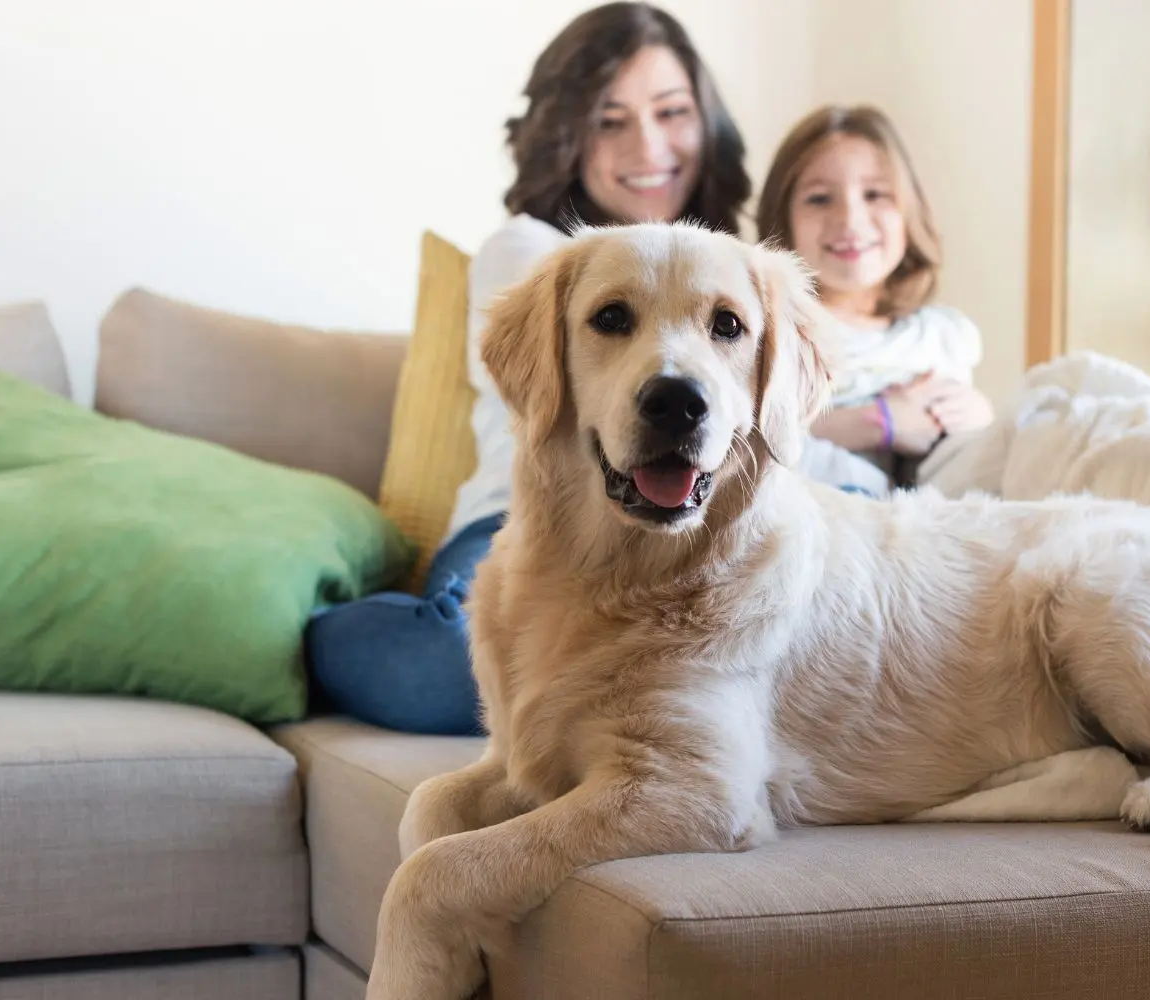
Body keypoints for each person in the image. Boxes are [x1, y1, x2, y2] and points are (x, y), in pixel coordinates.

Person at [303, 2, 751, 735]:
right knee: (460, 673)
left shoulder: (739, 274)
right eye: (611, 120)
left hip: (688, 535)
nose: (649, 144)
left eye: (672, 112)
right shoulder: (531, 250)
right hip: (521, 522)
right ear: (567, 133)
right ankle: (310, 629)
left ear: (707, 121)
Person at [755, 104, 996, 481]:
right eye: (819, 198)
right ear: (782, 218)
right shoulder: (774, 333)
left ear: (909, 212)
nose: (850, 219)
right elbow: (746, 442)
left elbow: (968, 454)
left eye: (875, 194)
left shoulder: (939, 336)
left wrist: (981, 415)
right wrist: (877, 422)